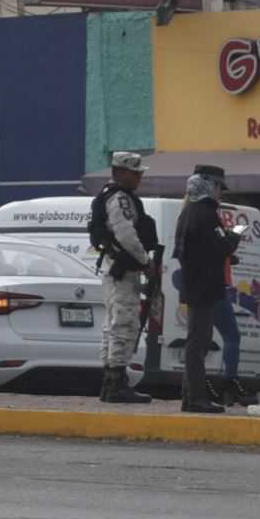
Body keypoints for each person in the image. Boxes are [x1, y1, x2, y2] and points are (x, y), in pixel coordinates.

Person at [90, 151, 160, 403]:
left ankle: (111, 382)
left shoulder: (110, 195)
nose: (139, 177)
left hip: (114, 268)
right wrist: (145, 261)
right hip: (122, 270)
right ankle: (116, 382)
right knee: (124, 324)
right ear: (119, 172)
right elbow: (126, 233)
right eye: (135, 172)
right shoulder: (119, 199)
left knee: (113, 326)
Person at [173, 167, 239, 413]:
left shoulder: (188, 212)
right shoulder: (206, 212)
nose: (220, 193)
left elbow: (196, 249)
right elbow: (220, 246)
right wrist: (234, 238)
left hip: (195, 284)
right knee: (198, 342)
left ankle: (190, 396)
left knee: (197, 341)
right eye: (219, 187)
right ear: (209, 186)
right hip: (203, 286)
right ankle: (197, 398)